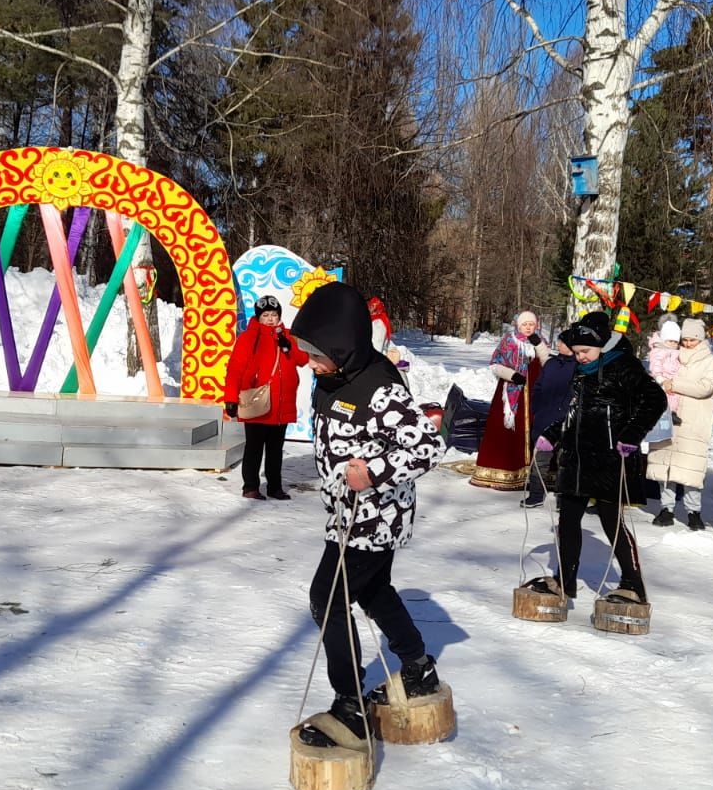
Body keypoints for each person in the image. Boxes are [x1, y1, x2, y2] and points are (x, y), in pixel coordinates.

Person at [289, 282, 445, 748]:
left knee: (328, 598)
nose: (310, 365)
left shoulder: (379, 388)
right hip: (346, 514)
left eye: (317, 355)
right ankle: (417, 666)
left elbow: (428, 446)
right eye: (306, 354)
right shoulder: (334, 378)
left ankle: (351, 704)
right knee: (374, 591)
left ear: (344, 346)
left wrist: (374, 472)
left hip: (374, 517)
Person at [527, 311, 665, 601]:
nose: (580, 357)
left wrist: (631, 434)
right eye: (576, 352)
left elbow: (656, 400)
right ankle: (565, 580)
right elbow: (575, 410)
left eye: (585, 351)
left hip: (610, 458)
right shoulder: (582, 371)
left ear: (602, 345)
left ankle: (633, 583)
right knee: (568, 519)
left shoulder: (625, 366)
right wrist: (553, 433)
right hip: (577, 457)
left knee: (610, 520)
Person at [223, 295, 310, 500]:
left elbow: (302, 360)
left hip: (282, 403)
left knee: (275, 449)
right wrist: (231, 398)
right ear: (259, 317)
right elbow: (234, 369)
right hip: (257, 402)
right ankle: (250, 487)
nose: (271, 319)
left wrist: (287, 345)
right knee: (254, 447)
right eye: (266, 315)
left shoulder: (288, 336)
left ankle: (274, 487)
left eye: (274, 315)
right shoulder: (249, 338)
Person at [646, 317, 713, 530]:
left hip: (693, 422)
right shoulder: (672, 355)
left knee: (691, 470)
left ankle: (693, 511)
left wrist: (674, 384)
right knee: (665, 467)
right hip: (668, 418)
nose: (687, 344)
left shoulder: (709, 361)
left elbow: (705, 387)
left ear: (700, 339)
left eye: (691, 340)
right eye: (684, 340)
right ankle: (666, 508)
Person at [470, 311, 549, 490]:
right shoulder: (509, 340)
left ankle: (532, 472)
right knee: (509, 430)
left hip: (535, 393)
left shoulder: (540, 340)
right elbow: (495, 364)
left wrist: (539, 345)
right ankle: (506, 469)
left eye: (531, 324)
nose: (528, 327)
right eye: (525, 324)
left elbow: (546, 363)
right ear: (518, 325)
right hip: (511, 392)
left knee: (534, 429)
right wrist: (512, 375)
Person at [520, 325, 578, 508]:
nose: (558, 344)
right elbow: (538, 386)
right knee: (540, 459)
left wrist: (566, 412)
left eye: (561, 342)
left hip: (566, 421)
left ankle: (563, 498)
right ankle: (536, 493)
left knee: (565, 461)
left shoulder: (578, 367)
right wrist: (537, 407)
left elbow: (576, 393)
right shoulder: (551, 364)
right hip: (544, 418)